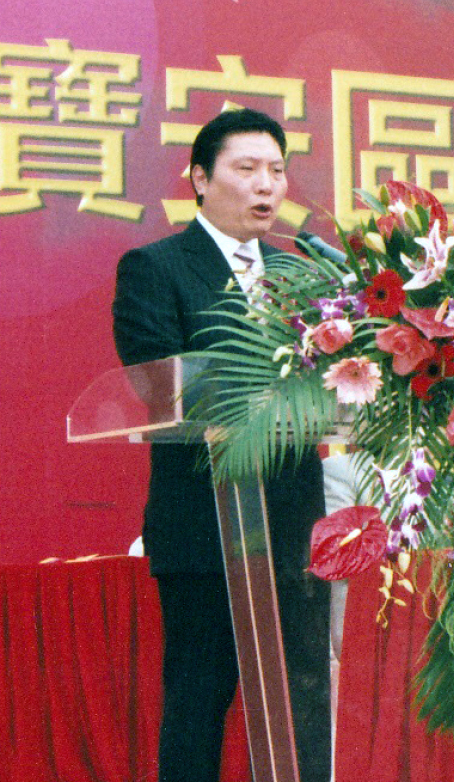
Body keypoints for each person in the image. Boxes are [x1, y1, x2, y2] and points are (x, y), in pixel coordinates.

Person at [112, 108, 331, 782]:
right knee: (200, 702)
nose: (267, 185)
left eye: (277, 170)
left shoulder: (303, 273)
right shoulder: (156, 268)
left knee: (305, 702)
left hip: (294, 526)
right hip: (207, 527)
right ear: (200, 179)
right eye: (247, 169)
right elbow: (160, 381)